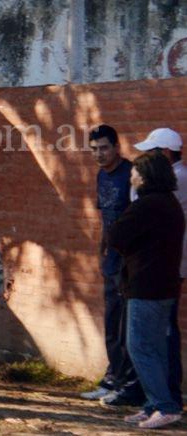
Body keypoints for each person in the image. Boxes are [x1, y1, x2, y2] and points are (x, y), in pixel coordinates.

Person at [110, 151, 185, 429]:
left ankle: (165, 406)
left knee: (139, 346)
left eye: (135, 171)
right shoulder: (168, 202)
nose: (131, 176)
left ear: (146, 175)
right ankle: (155, 404)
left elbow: (116, 234)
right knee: (154, 348)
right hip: (163, 284)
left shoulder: (147, 205)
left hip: (147, 286)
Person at [81, 125, 144, 406]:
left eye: (104, 148)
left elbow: (138, 221)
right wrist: (102, 251)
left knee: (123, 326)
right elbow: (106, 219)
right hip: (112, 262)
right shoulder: (101, 176)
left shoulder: (130, 176)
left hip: (129, 264)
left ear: (117, 147)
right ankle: (112, 378)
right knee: (111, 322)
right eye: (94, 149)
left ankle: (126, 383)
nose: (99, 154)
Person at [133, 128, 186, 411]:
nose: (145, 160)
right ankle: (161, 398)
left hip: (164, 268)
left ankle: (165, 400)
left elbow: (137, 211)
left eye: (151, 153)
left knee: (158, 337)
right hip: (168, 266)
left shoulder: (177, 180)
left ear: (165, 154)